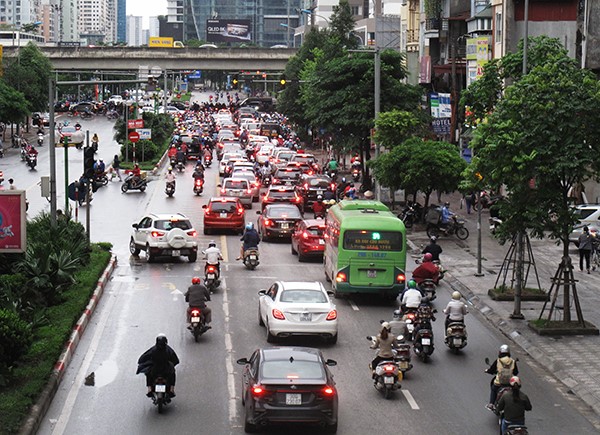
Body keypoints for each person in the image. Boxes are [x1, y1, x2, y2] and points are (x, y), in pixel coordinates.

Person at [486, 344, 519, 411]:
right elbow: (516, 372)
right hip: (510, 383)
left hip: (499, 383)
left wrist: (487, 371)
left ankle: (491, 404)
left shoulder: (498, 360)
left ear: (500, 352)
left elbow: (492, 370)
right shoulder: (513, 361)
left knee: (493, 388)